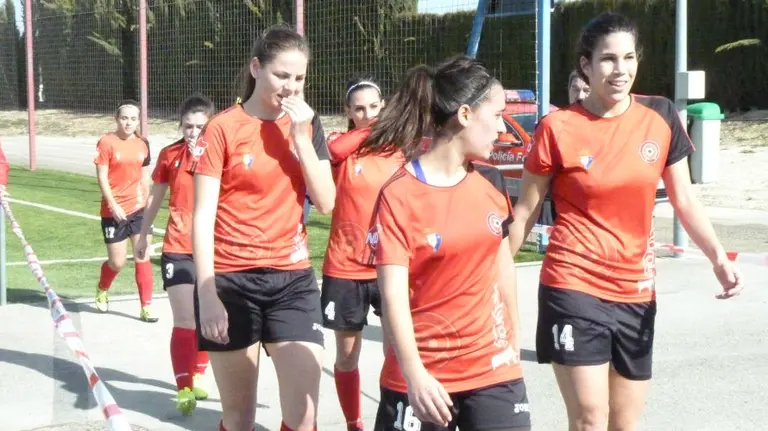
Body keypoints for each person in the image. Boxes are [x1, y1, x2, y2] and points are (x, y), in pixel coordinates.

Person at [509, 12, 744, 431]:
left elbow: (684, 200)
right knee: (589, 420)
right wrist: (490, 276)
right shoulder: (557, 128)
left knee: (624, 423)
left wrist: (718, 260)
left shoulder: (660, 115)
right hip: (573, 284)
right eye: (608, 59)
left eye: (629, 58)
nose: (621, 70)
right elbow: (525, 212)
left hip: (636, 290)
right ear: (585, 65)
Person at [360, 55, 531, 431]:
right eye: (498, 114)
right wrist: (415, 374)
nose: (503, 128)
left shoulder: (490, 184)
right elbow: (393, 297)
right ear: (466, 114)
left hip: (493, 370)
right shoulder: (399, 194)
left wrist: (514, 339)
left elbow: (502, 266)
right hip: (424, 379)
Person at [192, 24, 335, 431]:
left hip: (291, 280)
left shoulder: (309, 125)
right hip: (232, 281)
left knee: (304, 417)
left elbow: (326, 202)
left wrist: (302, 137)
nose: (291, 87)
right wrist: (208, 292)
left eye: (300, 78)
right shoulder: (223, 127)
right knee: (239, 419)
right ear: (256, 68)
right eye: (282, 75)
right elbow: (202, 216)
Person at [320, 76, 398, 431]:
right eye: (359, 109)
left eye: (374, 107)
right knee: (348, 356)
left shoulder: (400, 147)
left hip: (391, 267)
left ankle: (393, 417)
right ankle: (354, 423)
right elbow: (332, 152)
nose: (367, 114)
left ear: (383, 106)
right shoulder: (340, 146)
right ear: (348, 112)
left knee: (396, 354)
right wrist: (374, 130)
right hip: (345, 268)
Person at [134, 94, 215, 415]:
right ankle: (183, 388)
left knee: (210, 320)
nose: (193, 132)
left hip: (215, 249)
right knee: (185, 319)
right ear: (180, 125)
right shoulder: (170, 155)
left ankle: (199, 373)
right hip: (177, 248)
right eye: (188, 126)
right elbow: (155, 198)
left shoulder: (221, 154)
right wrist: (143, 233)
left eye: (200, 127)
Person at [93, 99, 157, 323]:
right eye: (124, 118)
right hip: (114, 211)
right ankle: (102, 289)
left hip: (138, 210)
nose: (128, 123)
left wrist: (148, 204)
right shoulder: (106, 142)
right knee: (117, 262)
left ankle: (146, 307)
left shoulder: (143, 143)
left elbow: (144, 177)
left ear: (138, 121)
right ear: (116, 119)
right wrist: (113, 204)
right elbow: (102, 177)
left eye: (133, 119)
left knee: (143, 254)